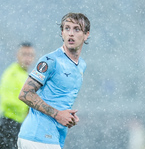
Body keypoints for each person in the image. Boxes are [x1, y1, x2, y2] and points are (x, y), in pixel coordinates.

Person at [17, 13, 90, 149]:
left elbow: (59, 99)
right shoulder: (50, 60)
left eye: (76, 29)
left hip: (52, 137)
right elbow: (25, 93)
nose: (71, 33)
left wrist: (67, 116)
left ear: (86, 35)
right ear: (62, 33)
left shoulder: (82, 65)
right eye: (67, 28)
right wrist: (57, 114)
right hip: (38, 136)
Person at [0, 42, 35, 149]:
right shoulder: (12, 73)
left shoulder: (25, 75)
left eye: (30, 55)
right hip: (9, 124)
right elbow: (7, 101)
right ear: (17, 55)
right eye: (24, 54)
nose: (27, 58)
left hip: (18, 125)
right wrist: (29, 107)